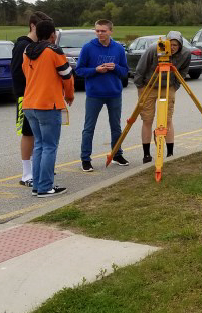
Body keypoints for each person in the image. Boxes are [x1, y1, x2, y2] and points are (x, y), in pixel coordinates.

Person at [22, 20, 74, 197]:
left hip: (29, 103)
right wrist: (70, 95)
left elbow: (26, 73)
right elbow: (67, 75)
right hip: (48, 104)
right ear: (53, 35)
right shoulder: (54, 51)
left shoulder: (27, 51)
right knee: (50, 146)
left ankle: (37, 185)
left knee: (39, 146)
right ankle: (45, 186)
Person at [75, 19, 130, 172]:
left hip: (114, 93)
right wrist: (95, 70)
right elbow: (79, 70)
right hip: (94, 94)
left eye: (103, 31)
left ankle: (117, 154)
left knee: (116, 127)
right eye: (97, 30)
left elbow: (125, 71)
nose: (100, 33)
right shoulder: (88, 48)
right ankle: (85, 159)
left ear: (111, 31)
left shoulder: (118, 48)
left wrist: (116, 67)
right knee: (89, 128)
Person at [134, 31, 191, 163]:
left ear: (180, 45)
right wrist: (140, 87)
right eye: (170, 44)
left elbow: (183, 71)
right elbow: (140, 68)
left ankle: (170, 154)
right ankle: (146, 154)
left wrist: (175, 86)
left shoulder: (186, 54)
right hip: (148, 86)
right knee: (147, 120)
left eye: (175, 45)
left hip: (168, 87)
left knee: (167, 119)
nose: (172, 48)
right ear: (165, 43)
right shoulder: (154, 49)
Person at [10, 11, 52, 187]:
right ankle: (26, 173)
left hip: (38, 97)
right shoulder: (23, 46)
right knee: (28, 134)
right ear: (33, 26)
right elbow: (19, 74)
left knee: (38, 134)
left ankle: (37, 167)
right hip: (25, 97)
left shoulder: (37, 46)